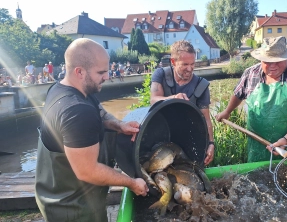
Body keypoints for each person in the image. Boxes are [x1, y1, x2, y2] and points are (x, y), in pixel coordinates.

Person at [35, 38, 148, 222]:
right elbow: (88, 171)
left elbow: (100, 112)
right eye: (101, 72)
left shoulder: (64, 89)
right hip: (72, 206)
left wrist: (119, 125)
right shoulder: (77, 111)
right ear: (79, 71)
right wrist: (132, 183)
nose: (108, 76)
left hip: (58, 192)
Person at [215, 36, 287, 162]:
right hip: (258, 146)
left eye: (278, 61)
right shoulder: (251, 74)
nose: (273, 66)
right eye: (268, 61)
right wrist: (227, 111)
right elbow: (238, 94)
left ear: (286, 58)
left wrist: (286, 139)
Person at [150, 40, 215, 166]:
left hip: (189, 137)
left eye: (192, 64)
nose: (190, 69)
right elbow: (153, 100)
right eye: (185, 64)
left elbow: (206, 118)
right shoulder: (161, 75)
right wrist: (173, 97)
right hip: (162, 133)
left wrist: (211, 143)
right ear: (173, 62)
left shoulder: (201, 85)